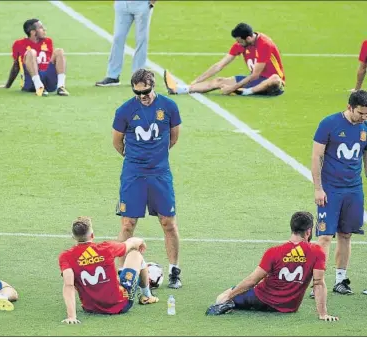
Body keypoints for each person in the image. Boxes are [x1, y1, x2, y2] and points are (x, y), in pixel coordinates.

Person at [112, 68, 182, 289]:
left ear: (154, 86)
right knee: (128, 223)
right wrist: (135, 159)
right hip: (133, 174)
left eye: (146, 91)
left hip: (160, 174)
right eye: (137, 92)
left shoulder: (169, 107)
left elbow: (174, 136)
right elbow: (117, 142)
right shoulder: (124, 110)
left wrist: (156, 156)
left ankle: (174, 271)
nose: (142, 96)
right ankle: (122, 273)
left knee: (168, 222)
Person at [206, 212, 339, 322]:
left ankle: (230, 304)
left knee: (221, 297)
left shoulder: (274, 252)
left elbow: (252, 280)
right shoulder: (317, 251)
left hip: (261, 298)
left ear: (292, 228)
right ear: (309, 231)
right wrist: (323, 314)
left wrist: (229, 295)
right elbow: (318, 283)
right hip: (289, 307)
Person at [311, 89, 367, 296]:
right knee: (325, 236)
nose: (364, 117)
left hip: (354, 189)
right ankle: (318, 282)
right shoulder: (329, 123)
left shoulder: (365, 126)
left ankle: (341, 280)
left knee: (346, 235)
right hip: (331, 190)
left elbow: (365, 156)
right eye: (360, 113)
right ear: (349, 107)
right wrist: (318, 188)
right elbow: (316, 157)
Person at [58, 216, 158, 323]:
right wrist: (141, 241)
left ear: (73, 236)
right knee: (135, 255)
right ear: (92, 235)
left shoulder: (66, 256)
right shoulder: (106, 248)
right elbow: (132, 243)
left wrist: (72, 316)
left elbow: (68, 285)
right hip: (120, 305)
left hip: (91, 308)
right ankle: (147, 295)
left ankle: (123, 282)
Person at [163, 22, 285, 97]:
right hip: (255, 81)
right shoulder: (241, 44)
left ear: (248, 38)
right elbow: (219, 65)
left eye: (239, 41)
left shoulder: (264, 44)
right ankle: (180, 89)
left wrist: (233, 88)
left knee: (275, 79)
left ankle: (245, 92)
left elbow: (255, 75)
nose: (237, 43)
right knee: (219, 81)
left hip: (271, 84)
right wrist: (195, 82)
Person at [0, 19, 69, 96]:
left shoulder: (48, 41)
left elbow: (52, 62)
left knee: (59, 51)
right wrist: (7, 85)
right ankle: (39, 86)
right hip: (30, 82)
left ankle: (61, 87)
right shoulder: (19, 44)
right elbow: (16, 66)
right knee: (31, 52)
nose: (44, 29)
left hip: (49, 80)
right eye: (41, 28)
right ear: (33, 32)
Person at [95, 0, 156, 87]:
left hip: (142, 4)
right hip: (122, 4)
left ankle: (138, 76)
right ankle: (112, 76)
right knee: (118, 37)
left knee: (141, 39)